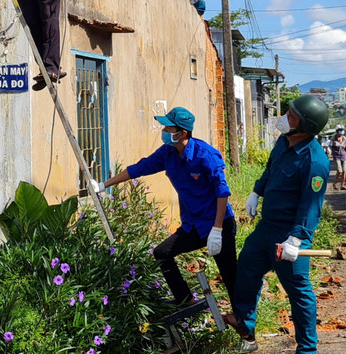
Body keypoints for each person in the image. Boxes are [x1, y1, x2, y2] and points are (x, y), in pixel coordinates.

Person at [89, 107, 238, 307]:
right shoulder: (168, 153)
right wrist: (102, 185)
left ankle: (244, 325)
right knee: (162, 253)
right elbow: (139, 168)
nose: (164, 131)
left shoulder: (206, 155)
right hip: (193, 225)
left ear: (182, 133)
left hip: (218, 223)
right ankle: (185, 299)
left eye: (168, 128)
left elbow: (222, 192)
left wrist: (218, 229)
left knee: (231, 278)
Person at [224, 94, 330, 354]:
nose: (285, 117)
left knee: (298, 291)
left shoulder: (315, 161)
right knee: (246, 269)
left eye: (292, 116)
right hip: (265, 229)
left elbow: (311, 206)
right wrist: (256, 191)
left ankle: (308, 350)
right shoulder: (284, 141)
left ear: (305, 125)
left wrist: (296, 239)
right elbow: (270, 169)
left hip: (290, 235)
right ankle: (245, 326)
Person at [330, 125, 346, 190]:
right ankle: (335, 184)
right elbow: (331, 147)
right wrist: (333, 154)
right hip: (336, 156)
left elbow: (345, 147)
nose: (341, 131)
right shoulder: (333, 139)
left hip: (343, 156)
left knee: (344, 171)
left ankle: (342, 185)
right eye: (340, 130)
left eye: (342, 130)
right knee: (339, 171)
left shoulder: (344, 138)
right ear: (337, 131)